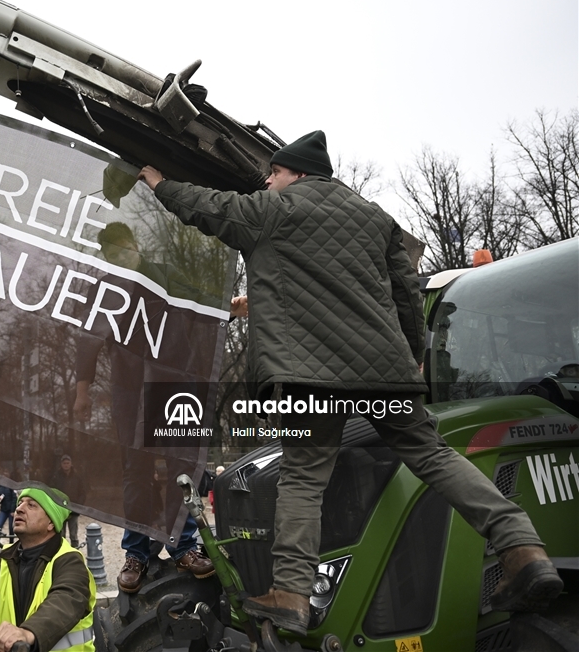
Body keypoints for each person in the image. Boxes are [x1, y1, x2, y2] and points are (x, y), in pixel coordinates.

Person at [137, 130, 563, 635]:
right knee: (433, 455)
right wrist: (413, 359)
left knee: (303, 476)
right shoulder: (375, 218)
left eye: (272, 173)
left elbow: (211, 207)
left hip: (308, 380)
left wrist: (160, 184)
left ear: (294, 173)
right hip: (386, 377)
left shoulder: (276, 210)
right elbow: (407, 293)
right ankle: (523, 548)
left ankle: (292, 593)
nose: (268, 182)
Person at [73, 222, 216, 593]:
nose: (122, 257)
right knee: (134, 467)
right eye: (113, 253)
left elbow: (203, 311)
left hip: (173, 383)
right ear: (107, 256)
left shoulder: (166, 276)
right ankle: (136, 552)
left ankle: (184, 546)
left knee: (181, 465)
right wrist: (82, 391)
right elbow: (87, 340)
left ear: (136, 246)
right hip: (129, 387)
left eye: (125, 249)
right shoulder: (105, 288)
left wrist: (228, 312)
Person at [0, 484, 96, 652]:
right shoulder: (8, 557)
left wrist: (27, 632)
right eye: (20, 503)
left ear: (51, 522)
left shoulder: (70, 561)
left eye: (31, 505)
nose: (19, 509)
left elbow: (64, 603)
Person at [49, 455, 88, 548]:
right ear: (61, 464)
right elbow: (51, 491)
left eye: (68, 463)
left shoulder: (77, 477)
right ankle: (62, 551)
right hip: (61, 509)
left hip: (73, 509)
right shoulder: (56, 476)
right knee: (61, 534)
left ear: (71, 464)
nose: (66, 465)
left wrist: (79, 505)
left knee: (73, 534)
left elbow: (82, 492)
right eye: (64, 463)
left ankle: (75, 551)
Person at [0, 474, 18, 539]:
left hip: (11, 510)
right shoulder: (0, 487)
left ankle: (11, 542)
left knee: (11, 528)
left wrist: (13, 510)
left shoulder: (11, 487)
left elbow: (14, 498)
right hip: (3, 509)